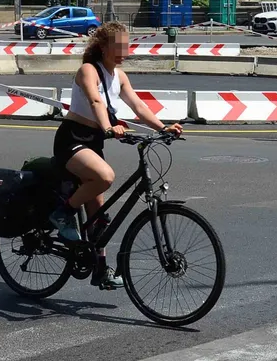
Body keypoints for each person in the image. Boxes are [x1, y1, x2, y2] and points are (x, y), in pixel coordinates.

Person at [51, 22, 182, 289]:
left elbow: (138, 104)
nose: (125, 51)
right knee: (105, 176)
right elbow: (95, 101)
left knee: (98, 213)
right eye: (119, 46)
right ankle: (62, 214)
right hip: (73, 140)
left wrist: (163, 127)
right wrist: (109, 127)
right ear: (103, 46)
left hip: (95, 141)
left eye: (127, 45)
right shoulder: (88, 70)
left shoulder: (119, 75)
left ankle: (100, 269)